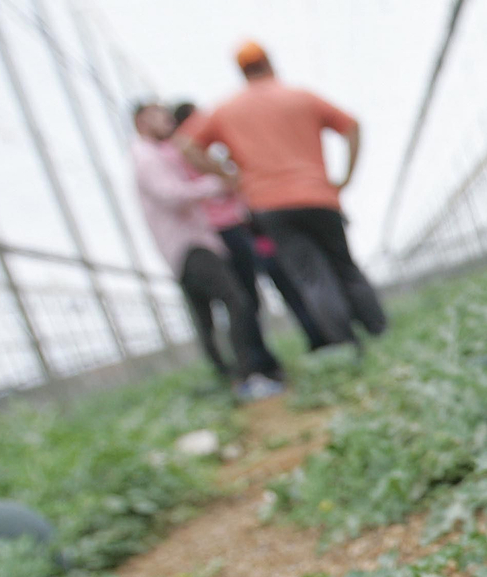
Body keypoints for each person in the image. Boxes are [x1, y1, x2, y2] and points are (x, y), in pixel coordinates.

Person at [179, 42, 387, 345]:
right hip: (319, 196)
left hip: (269, 205)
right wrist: (345, 178)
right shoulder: (299, 97)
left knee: (311, 276)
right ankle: (379, 330)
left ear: (242, 71)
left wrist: (229, 177)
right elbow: (351, 126)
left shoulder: (226, 109)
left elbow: (187, 146)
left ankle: (344, 342)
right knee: (345, 267)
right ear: (269, 63)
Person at [129, 101, 285, 400]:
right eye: (156, 115)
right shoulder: (146, 158)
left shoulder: (154, 155)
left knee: (206, 317)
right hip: (188, 245)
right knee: (236, 300)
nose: (165, 120)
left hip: (189, 244)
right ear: (141, 122)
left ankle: (230, 380)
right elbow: (171, 195)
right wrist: (214, 184)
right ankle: (247, 377)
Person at [171, 101, 333, 351]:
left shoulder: (209, 154)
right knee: (246, 298)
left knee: (285, 280)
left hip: (248, 226)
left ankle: (318, 336)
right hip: (225, 232)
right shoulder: (184, 157)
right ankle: (261, 358)